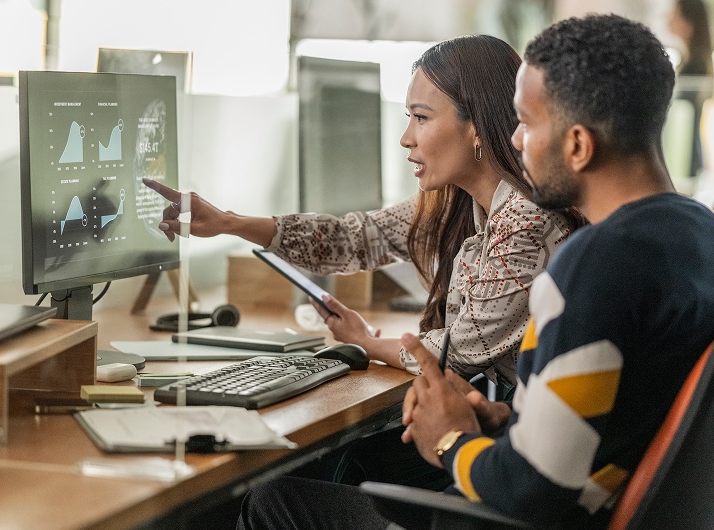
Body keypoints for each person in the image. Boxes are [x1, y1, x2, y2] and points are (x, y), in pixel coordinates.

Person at [234, 13, 714, 530]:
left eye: (527, 122)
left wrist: (450, 440)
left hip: (543, 519)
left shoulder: (593, 268)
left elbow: (531, 491)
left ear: (579, 145)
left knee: (272, 499)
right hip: (616, 499)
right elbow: (628, 414)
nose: (515, 141)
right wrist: (504, 420)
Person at [144, 34, 583, 389]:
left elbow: (461, 349)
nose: (406, 138)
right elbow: (355, 238)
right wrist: (229, 223)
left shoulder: (525, 219)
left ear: (477, 127)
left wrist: (364, 343)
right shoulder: (462, 203)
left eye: (421, 118)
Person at [668, 0, 714, 177]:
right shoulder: (688, 62)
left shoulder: (695, 66)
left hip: (684, 154)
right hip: (686, 153)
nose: (669, 20)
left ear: (689, 23)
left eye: (675, 14)